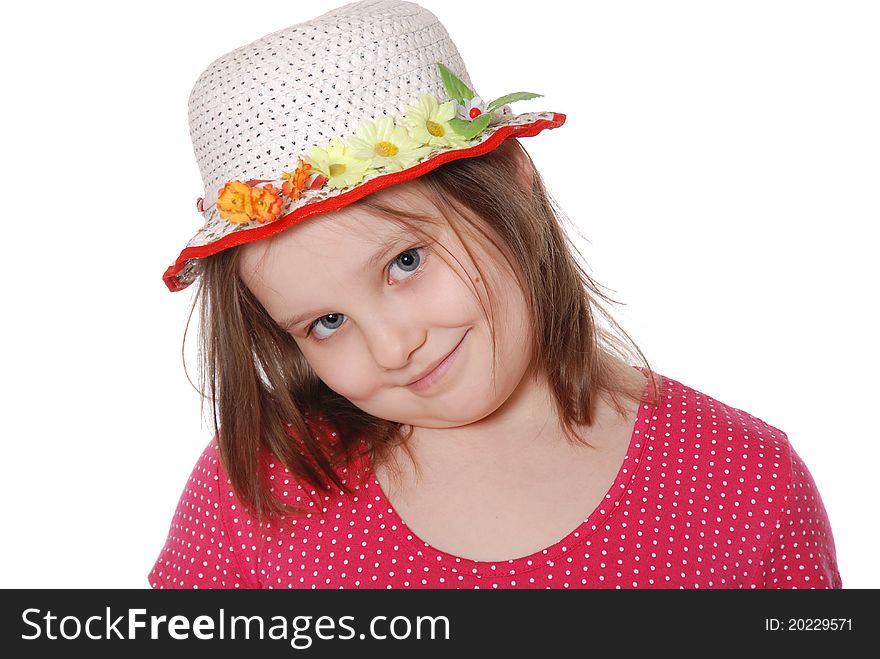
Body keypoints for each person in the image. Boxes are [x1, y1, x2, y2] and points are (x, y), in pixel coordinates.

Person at [150, 0, 841, 589]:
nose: (394, 347)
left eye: (405, 262)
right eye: (327, 321)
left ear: (510, 178)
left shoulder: (744, 482)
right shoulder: (256, 489)